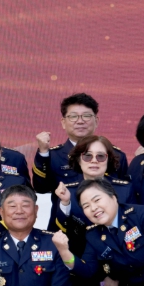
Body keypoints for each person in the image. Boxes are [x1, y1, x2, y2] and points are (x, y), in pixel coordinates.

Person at [33, 93, 129, 223]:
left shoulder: (116, 155)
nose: (80, 121)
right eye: (73, 116)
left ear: (96, 121)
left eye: (86, 116)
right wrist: (43, 153)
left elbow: (123, 193)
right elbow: (41, 188)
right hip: (64, 226)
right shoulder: (52, 155)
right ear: (63, 122)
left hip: (107, 226)